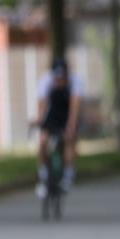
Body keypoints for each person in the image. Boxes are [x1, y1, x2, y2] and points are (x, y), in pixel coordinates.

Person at [35, 57, 83, 197]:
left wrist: (71, 125)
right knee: (43, 142)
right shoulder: (45, 82)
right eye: (57, 77)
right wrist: (39, 120)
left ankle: (68, 175)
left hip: (68, 114)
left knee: (69, 140)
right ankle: (43, 174)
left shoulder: (76, 82)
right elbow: (43, 107)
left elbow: (75, 107)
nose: (59, 80)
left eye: (62, 77)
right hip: (53, 114)